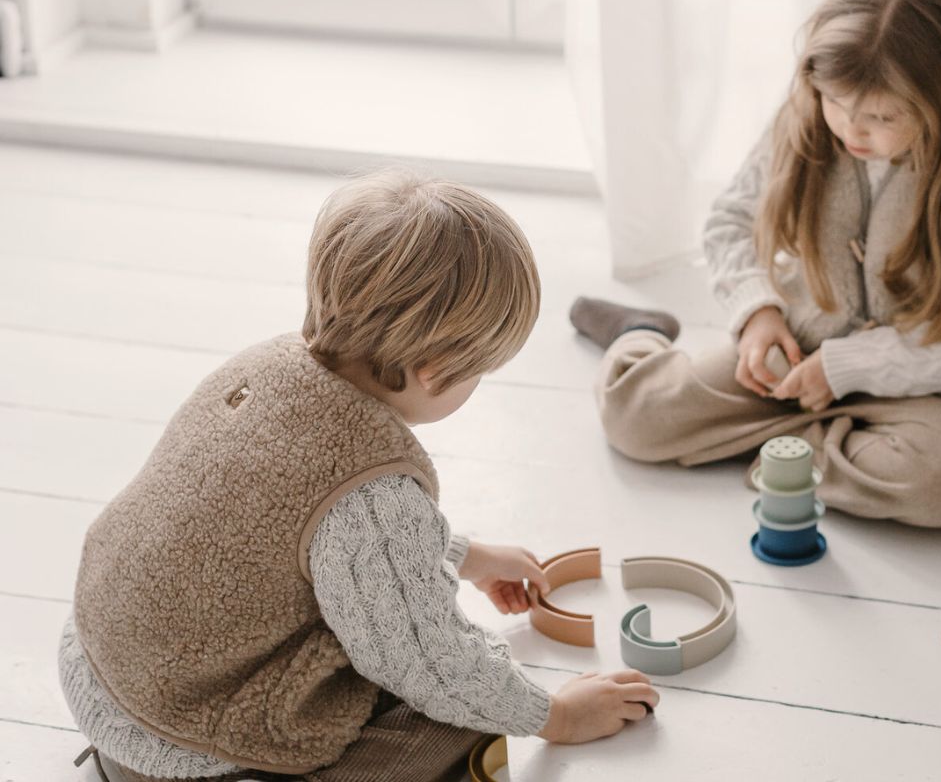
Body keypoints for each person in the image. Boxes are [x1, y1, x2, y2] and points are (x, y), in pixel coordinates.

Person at [60, 169, 658, 782]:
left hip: (101, 665)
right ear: (436, 370)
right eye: (478, 372)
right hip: (184, 739)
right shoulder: (373, 489)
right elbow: (427, 659)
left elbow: (279, 525)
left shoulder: (264, 368)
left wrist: (467, 556)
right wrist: (555, 714)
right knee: (459, 714)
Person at [571, 0, 941, 529]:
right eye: (837, 103)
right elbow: (730, 221)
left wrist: (847, 369)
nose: (853, 130)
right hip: (799, 352)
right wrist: (757, 313)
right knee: (636, 418)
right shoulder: (802, 120)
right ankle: (641, 335)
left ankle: (783, 450)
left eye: (882, 116)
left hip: (931, 379)